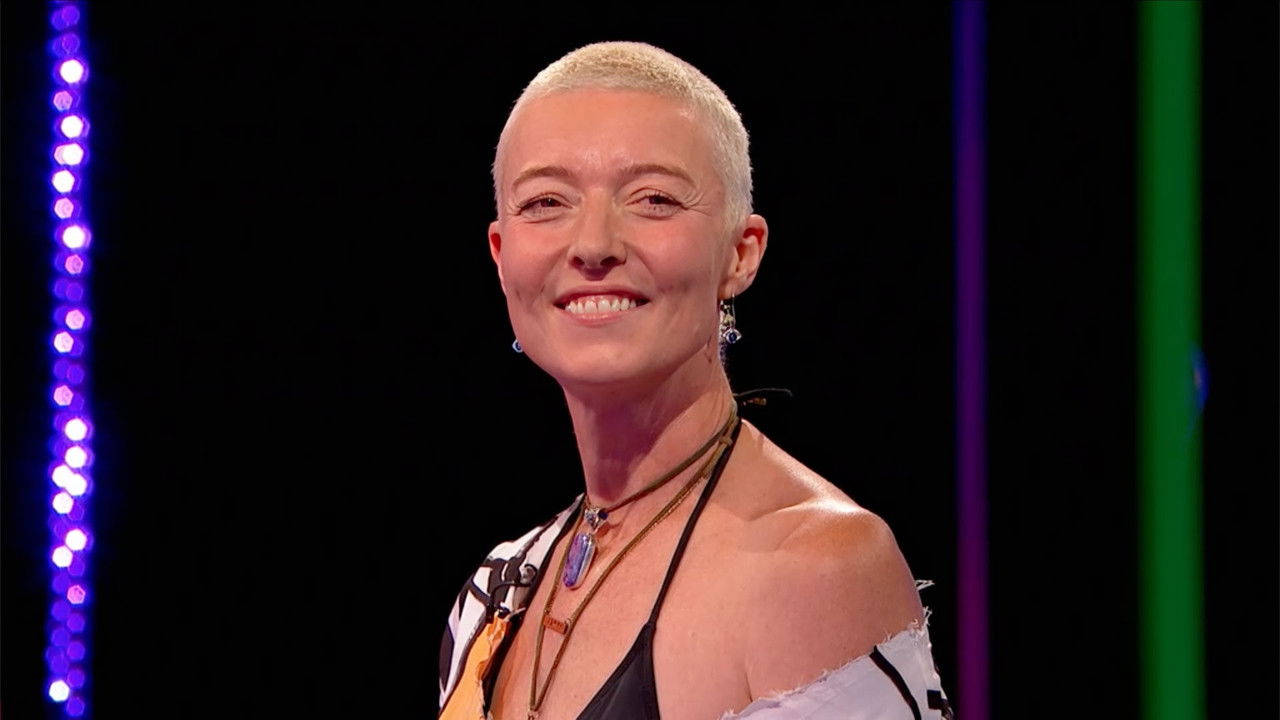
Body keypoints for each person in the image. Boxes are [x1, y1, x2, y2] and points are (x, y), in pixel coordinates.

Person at [439, 41, 951, 720]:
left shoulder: (813, 570)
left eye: (653, 199)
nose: (593, 245)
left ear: (741, 254)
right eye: (545, 202)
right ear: (502, 258)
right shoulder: (494, 595)